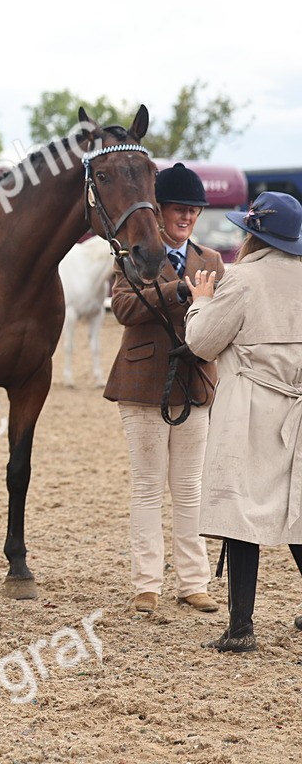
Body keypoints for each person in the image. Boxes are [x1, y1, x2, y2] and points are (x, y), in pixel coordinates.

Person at [185, 191, 302, 653]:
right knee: (297, 512)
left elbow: (201, 343)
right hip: (297, 405)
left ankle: (240, 628)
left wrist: (200, 301)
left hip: (251, 406)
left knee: (240, 513)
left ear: (253, 234)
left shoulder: (241, 280)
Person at [104, 163, 224, 614]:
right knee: (148, 486)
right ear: (159, 212)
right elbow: (123, 307)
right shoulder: (134, 254)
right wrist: (176, 291)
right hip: (142, 383)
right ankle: (146, 583)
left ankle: (193, 582)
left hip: (195, 382)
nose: (187, 217)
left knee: (190, 487)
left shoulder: (211, 261)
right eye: (179, 209)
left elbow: (222, 318)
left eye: (193, 210)